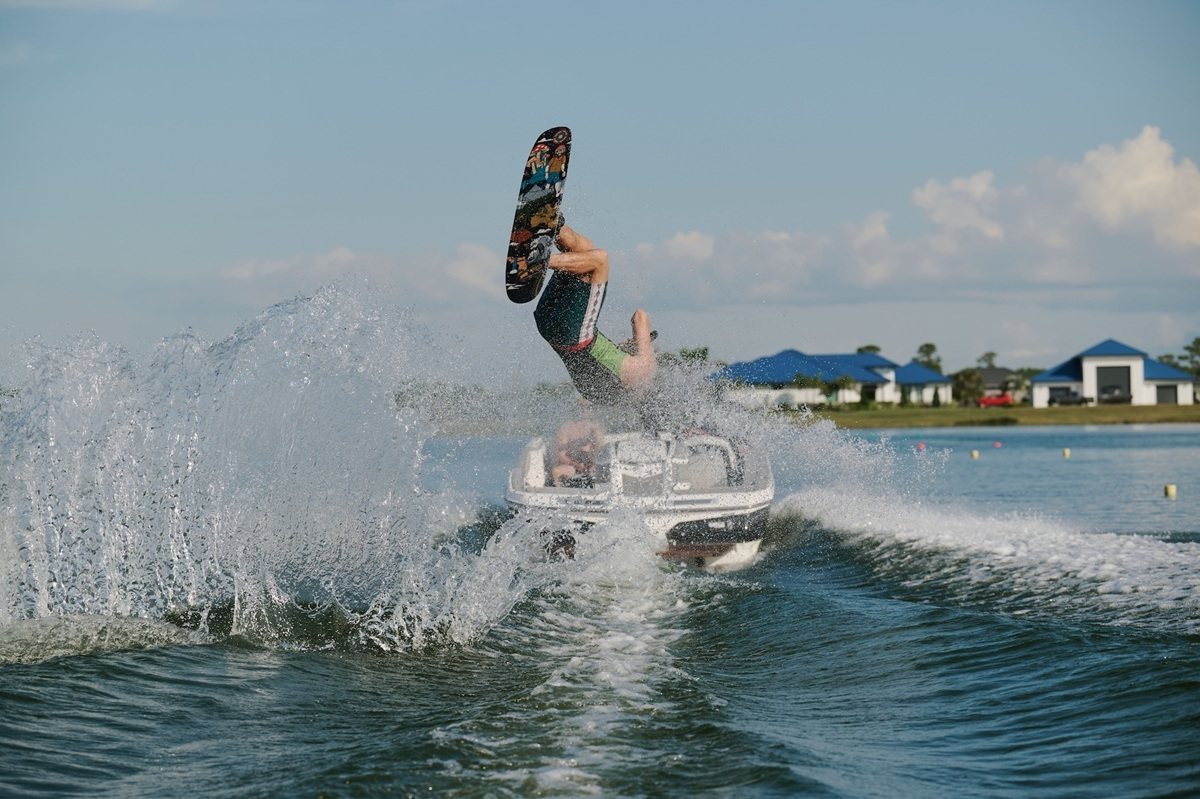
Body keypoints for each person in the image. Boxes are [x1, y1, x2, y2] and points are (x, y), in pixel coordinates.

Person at [533, 223, 656, 405]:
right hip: (548, 326)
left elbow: (640, 316)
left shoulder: (642, 371)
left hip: (574, 335)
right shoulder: (604, 394)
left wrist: (641, 343)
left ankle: (536, 262)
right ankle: (551, 225)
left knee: (599, 260)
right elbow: (595, 366)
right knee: (584, 251)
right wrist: (630, 347)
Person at [550, 418, 604, 486]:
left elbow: (595, 454)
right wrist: (576, 465)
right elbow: (561, 456)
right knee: (560, 471)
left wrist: (590, 465)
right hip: (572, 467)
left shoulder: (593, 429)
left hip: (586, 469)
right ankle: (558, 491)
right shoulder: (566, 428)